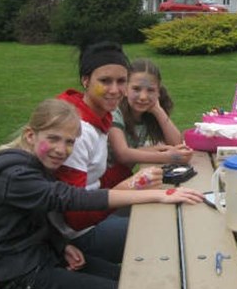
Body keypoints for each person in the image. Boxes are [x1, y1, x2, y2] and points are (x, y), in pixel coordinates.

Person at [0, 99, 203, 289]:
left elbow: (36, 218)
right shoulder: (16, 176)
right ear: (31, 136)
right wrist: (157, 195)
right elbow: (72, 198)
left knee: (128, 278)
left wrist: (61, 246)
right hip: (22, 274)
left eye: (69, 142)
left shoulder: (37, 165)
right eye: (53, 138)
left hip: (46, 255)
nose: (62, 150)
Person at [50, 41, 161, 264]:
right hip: (76, 236)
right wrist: (129, 187)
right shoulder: (76, 130)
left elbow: (97, 181)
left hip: (92, 215)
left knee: (160, 212)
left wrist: (134, 165)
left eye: (121, 81)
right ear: (85, 80)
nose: (114, 90)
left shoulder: (99, 117)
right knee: (162, 233)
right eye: (105, 81)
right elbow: (75, 217)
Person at [108, 58, 193, 178]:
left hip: (121, 177)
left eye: (151, 90)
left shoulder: (147, 114)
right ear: (125, 89)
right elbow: (122, 154)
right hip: (101, 183)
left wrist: (157, 110)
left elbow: (176, 143)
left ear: (158, 92)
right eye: (136, 89)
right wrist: (168, 156)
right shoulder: (114, 112)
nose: (143, 96)